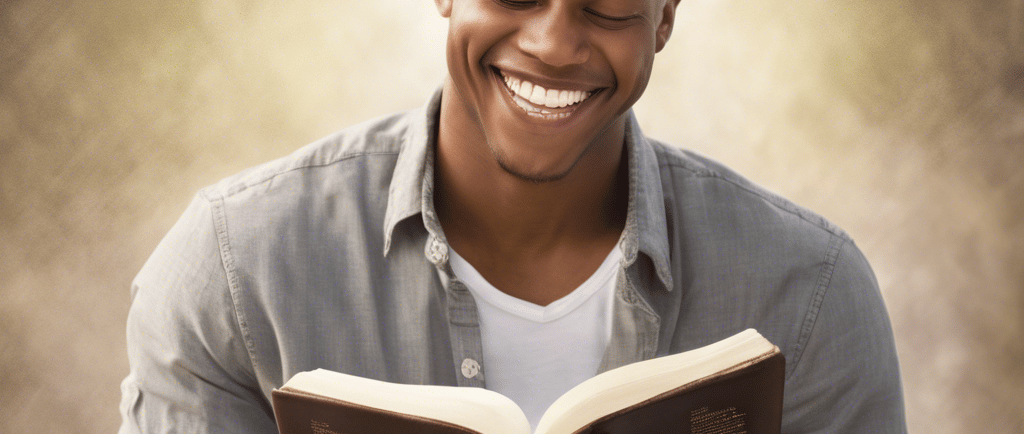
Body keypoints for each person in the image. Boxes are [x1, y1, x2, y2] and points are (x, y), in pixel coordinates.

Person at [119, 0, 907, 432]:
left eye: (605, 3)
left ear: (665, 14)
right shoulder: (232, 273)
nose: (554, 41)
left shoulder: (810, 298)